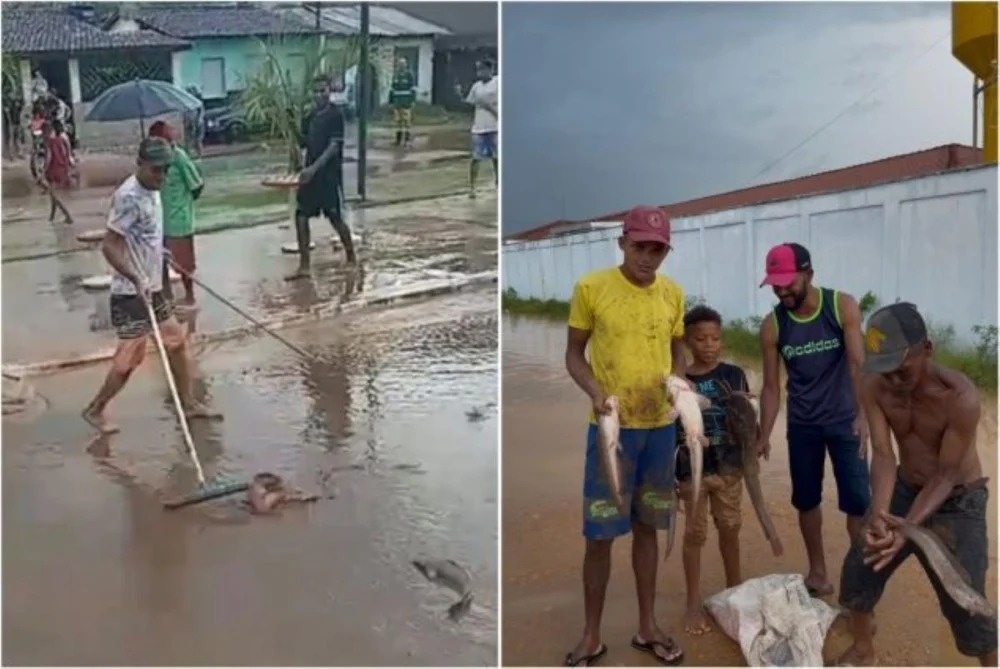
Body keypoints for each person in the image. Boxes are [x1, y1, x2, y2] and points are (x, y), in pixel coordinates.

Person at [836, 303, 997, 667]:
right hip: (905, 488)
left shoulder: (960, 397)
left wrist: (907, 529)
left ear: (926, 348)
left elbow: (947, 475)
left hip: (957, 499)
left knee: (967, 602)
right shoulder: (873, 384)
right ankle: (863, 650)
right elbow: (882, 454)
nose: (892, 379)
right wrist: (880, 514)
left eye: (900, 367)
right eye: (883, 369)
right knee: (861, 566)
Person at [564, 205, 689, 666]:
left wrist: (679, 381)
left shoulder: (673, 294)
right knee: (599, 534)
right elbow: (574, 356)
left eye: (657, 249)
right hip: (611, 430)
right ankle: (592, 635)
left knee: (649, 529)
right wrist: (596, 392)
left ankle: (646, 626)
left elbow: (679, 352)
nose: (648, 258)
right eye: (640, 247)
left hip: (659, 431)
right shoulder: (591, 288)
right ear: (622, 243)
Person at [81, 138, 220, 435]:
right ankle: (95, 409)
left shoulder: (154, 189)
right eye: (157, 170)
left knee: (176, 342)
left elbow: (143, 235)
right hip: (131, 291)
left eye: (166, 170)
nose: (162, 176)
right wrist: (134, 276)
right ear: (140, 165)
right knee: (131, 357)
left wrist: (159, 253)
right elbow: (110, 246)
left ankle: (189, 403)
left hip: (153, 284)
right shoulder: (128, 197)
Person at [756, 242, 871, 597]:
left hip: (845, 421)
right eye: (775, 283)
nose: (781, 290)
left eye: (788, 282)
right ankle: (818, 572)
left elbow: (858, 366)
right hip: (803, 426)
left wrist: (864, 416)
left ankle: (859, 582)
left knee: (858, 503)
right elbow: (772, 387)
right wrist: (763, 434)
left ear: (809, 274)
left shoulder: (841, 306)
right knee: (806, 501)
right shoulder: (773, 325)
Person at [674, 305, 752, 635]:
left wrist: (755, 444)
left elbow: (748, 417)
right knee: (694, 535)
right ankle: (693, 602)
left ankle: (735, 592)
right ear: (688, 342)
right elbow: (670, 427)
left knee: (730, 529)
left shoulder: (734, 374)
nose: (709, 344)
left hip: (730, 467)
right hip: (691, 471)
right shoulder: (680, 382)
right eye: (701, 339)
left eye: (715, 338)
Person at [286, 76, 355, 281]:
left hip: (328, 176)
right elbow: (304, 142)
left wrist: (314, 169)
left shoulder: (335, 115)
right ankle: (304, 265)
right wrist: (291, 125)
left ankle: (351, 256)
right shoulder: (310, 115)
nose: (319, 95)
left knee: (335, 217)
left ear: (329, 91)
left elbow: (334, 147)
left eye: (322, 91)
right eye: (315, 91)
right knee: (301, 216)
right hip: (310, 176)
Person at [149, 120, 204, 305]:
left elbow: (196, 185)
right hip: (158, 219)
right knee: (159, 261)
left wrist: (181, 202)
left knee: (184, 264)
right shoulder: (152, 162)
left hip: (178, 219)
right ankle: (166, 297)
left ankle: (189, 296)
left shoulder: (179, 157)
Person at [459, 59, 498, 199]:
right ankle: (472, 187)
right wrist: (460, 95)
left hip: (495, 126)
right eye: (478, 70)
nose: (480, 73)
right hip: (479, 128)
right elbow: (469, 102)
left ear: (490, 70)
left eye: (482, 69)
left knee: (497, 158)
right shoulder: (476, 87)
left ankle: (499, 183)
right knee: (476, 158)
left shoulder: (498, 82)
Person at [41, 120, 73, 224]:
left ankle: (68, 216)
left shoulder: (49, 142)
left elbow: (49, 158)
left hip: (53, 170)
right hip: (61, 168)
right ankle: (52, 217)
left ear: (46, 132)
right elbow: (66, 154)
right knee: (52, 194)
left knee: (54, 196)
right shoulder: (60, 140)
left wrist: (42, 171)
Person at [389, 58, 416, 148]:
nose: (401, 66)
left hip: (406, 103)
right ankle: (398, 140)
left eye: (403, 64)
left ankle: (407, 140)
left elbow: (412, 89)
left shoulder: (409, 75)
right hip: (397, 103)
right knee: (398, 122)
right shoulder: (395, 75)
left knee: (407, 122)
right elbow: (392, 89)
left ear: (406, 65)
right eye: (400, 64)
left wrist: (413, 101)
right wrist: (391, 101)